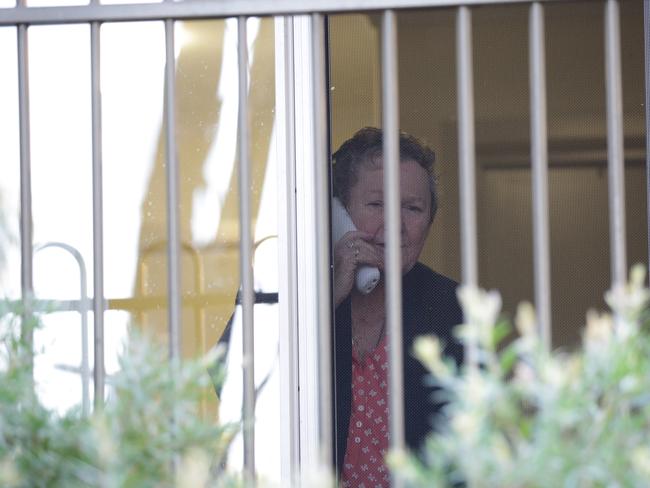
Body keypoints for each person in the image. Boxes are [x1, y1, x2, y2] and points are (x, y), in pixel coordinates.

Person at [332, 127, 463, 487]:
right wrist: (330, 298)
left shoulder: (452, 307)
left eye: (413, 208)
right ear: (338, 213)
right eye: (377, 205)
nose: (396, 225)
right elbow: (231, 380)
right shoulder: (299, 292)